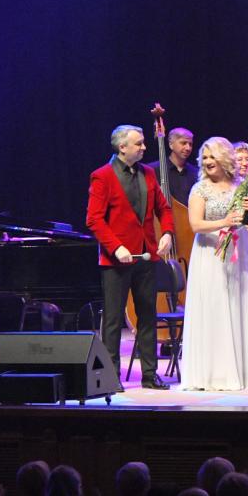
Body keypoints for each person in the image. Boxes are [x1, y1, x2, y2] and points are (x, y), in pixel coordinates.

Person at [86, 124, 176, 390]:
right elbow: (94, 219)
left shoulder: (148, 173)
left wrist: (167, 233)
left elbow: (164, 208)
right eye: (139, 143)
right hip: (116, 260)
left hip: (146, 256)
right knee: (113, 319)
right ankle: (111, 377)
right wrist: (116, 247)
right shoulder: (102, 176)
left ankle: (150, 374)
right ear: (122, 147)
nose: (144, 147)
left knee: (147, 315)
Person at [180, 136, 248, 390]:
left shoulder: (241, 185)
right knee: (215, 306)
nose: (208, 161)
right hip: (210, 254)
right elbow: (196, 225)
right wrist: (225, 222)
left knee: (239, 305)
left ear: (224, 159)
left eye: (213, 156)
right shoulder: (200, 189)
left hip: (240, 249)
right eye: (205, 157)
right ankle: (214, 374)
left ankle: (243, 372)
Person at [147, 126, 199, 206]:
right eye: (183, 143)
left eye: (190, 144)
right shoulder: (153, 169)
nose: (188, 148)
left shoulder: (196, 172)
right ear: (171, 144)